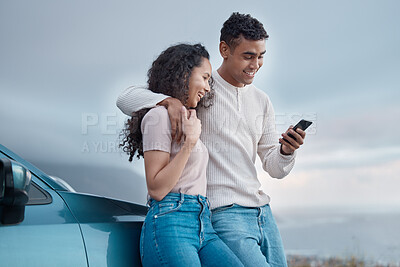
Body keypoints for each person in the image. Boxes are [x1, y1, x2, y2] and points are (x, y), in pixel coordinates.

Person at [117, 13, 306, 267]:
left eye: (261, 56)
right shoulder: (202, 87)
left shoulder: (262, 101)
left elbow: (274, 167)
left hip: (262, 210)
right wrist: (167, 100)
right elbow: (126, 98)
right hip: (223, 212)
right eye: (248, 56)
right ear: (224, 50)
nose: (256, 64)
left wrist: (285, 151)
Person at [120, 43, 244, 267]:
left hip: (203, 222)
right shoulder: (159, 116)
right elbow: (156, 189)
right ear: (185, 74)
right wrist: (189, 143)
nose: (208, 87)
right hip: (172, 220)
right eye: (204, 78)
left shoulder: (189, 116)